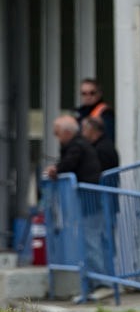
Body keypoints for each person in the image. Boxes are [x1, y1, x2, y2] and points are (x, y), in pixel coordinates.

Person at [46, 115, 113, 302]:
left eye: (58, 134)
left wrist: (56, 170)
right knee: (89, 244)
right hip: (88, 201)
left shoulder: (77, 145)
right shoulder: (80, 144)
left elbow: (69, 164)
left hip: (89, 202)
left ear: (67, 132)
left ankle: (102, 284)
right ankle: (91, 286)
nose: (57, 138)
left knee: (92, 243)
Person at [74, 78, 115, 143]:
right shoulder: (78, 113)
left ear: (99, 94)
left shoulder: (106, 112)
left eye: (92, 93)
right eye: (84, 94)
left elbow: (108, 138)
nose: (88, 97)